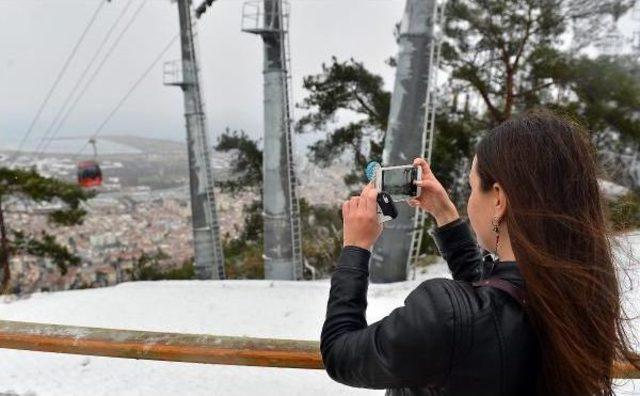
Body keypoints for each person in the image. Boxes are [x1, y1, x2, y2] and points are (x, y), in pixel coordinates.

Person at [320, 109, 639, 396]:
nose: (469, 201)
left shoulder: (444, 315)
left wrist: (355, 247)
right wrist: (445, 216)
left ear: (498, 199)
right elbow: (491, 308)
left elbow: (340, 353)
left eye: (472, 188)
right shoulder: (578, 298)